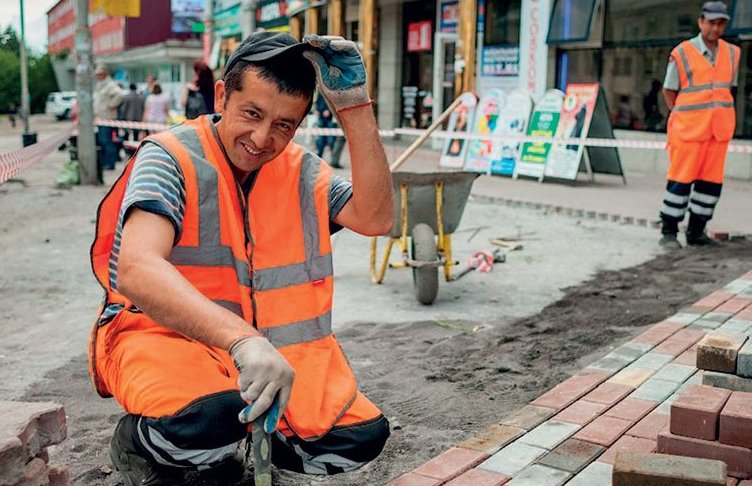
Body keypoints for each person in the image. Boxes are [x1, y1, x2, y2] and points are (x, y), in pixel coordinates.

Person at [88, 32, 393, 485]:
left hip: (267, 354)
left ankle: (238, 445)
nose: (262, 138)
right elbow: (136, 268)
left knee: (356, 438)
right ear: (221, 97)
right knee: (209, 420)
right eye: (252, 113)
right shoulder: (170, 157)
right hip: (165, 341)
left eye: (284, 125)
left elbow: (376, 217)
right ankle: (138, 442)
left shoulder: (301, 170)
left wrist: (354, 107)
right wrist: (242, 341)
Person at [659, 1, 738, 249]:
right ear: (701, 22)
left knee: (710, 185)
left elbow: (729, 88)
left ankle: (696, 232)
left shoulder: (733, 53)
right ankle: (669, 232)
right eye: (711, 22)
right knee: (680, 181)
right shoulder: (682, 53)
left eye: (720, 23)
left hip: (718, 131)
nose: (715, 28)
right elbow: (669, 90)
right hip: (688, 131)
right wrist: (681, 115)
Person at [93, 64, 124, 170]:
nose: (98, 77)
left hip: (107, 118)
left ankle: (110, 163)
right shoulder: (100, 85)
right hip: (101, 118)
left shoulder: (109, 85)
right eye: (97, 75)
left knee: (106, 140)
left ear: (105, 74)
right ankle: (106, 162)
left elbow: (120, 95)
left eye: (100, 74)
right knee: (103, 140)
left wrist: (112, 105)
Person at [314, 92, 335, 160]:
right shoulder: (320, 91)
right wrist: (317, 109)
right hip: (321, 116)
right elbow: (318, 100)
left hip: (329, 118)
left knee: (330, 137)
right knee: (320, 137)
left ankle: (331, 155)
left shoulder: (331, 91)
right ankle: (319, 154)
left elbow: (333, 102)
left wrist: (329, 111)